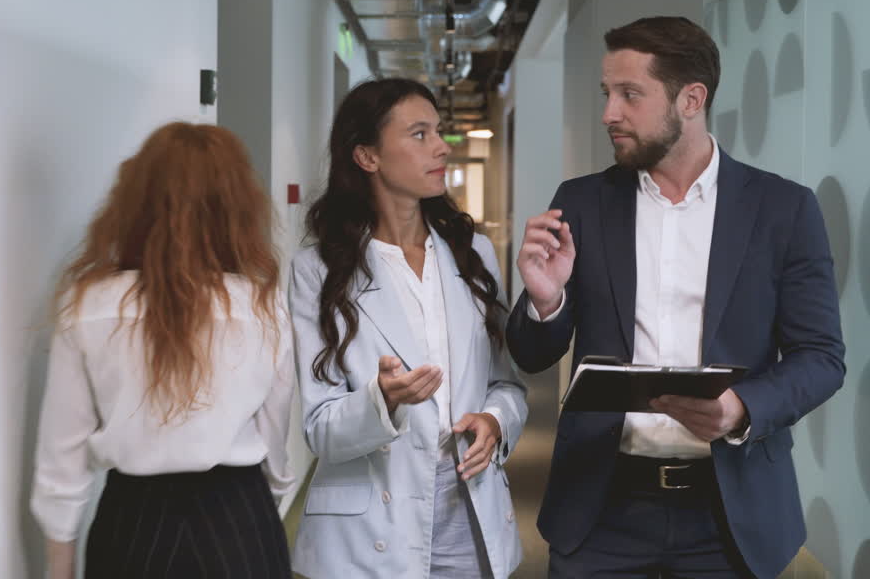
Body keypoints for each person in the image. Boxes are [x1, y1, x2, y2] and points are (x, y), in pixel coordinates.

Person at [506, 17, 846, 578]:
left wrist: (742, 408)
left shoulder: (784, 210)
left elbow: (822, 358)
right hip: (600, 507)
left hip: (729, 513)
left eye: (629, 95)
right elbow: (534, 354)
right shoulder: (582, 202)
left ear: (692, 99)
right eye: (607, 93)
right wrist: (545, 302)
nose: (609, 113)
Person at [30, 122, 295, 579]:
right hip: (240, 515)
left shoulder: (89, 302)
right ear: (234, 206)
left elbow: (62, 458)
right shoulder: (260, 303)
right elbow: (275, 439)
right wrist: (259, 511)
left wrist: (59, 570)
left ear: (137, 200)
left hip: (132, 521)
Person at [289, 78, 529, 579]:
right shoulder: (318, 270)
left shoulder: (473, 254)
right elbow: (319, 429)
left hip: (468, 501)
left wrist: (495, 421)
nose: (442, 146)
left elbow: (506, 384)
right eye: (419, 134)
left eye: (438, 131)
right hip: (370, 523)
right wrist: (384, 400)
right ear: (367, 157)